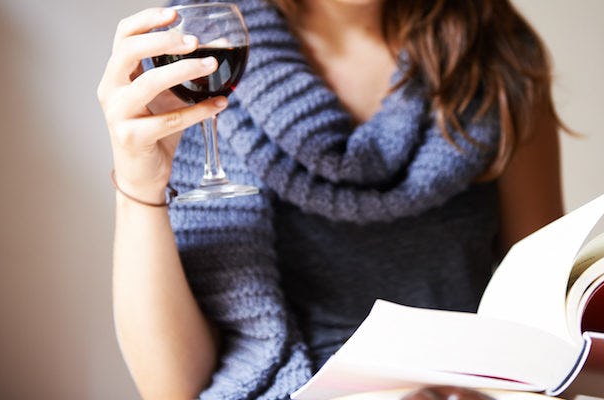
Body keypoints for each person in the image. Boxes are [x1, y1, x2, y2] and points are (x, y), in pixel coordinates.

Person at [97, 0, 566, 399]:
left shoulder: (495, 52)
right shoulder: (194, 48)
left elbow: (544, 330)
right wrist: (140, 187)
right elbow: (173, 388)